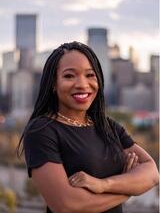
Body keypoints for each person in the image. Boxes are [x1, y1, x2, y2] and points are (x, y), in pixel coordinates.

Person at [17, 41, 159, 213]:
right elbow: (66, 205)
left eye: (90, 75)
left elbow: (152, 174)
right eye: (69, 76)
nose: (82, 84)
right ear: (53, 83)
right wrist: (128, 189)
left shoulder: (107, 126)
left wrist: (103, 185)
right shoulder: (41, 130)